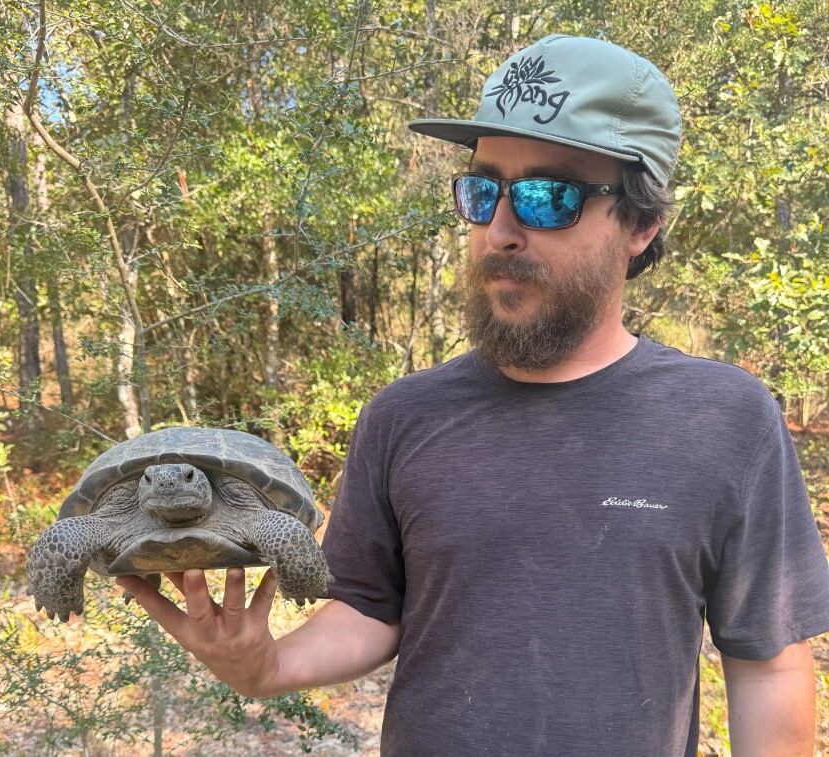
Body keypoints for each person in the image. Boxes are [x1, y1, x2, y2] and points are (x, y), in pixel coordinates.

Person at [117, 34, 829, 756]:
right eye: (483, 190)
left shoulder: (724, 417)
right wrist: (265, 664)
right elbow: (368, 609)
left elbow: (767, 663)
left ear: (641, 224)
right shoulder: (404, 415)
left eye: (550, 196)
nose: (500, 229)